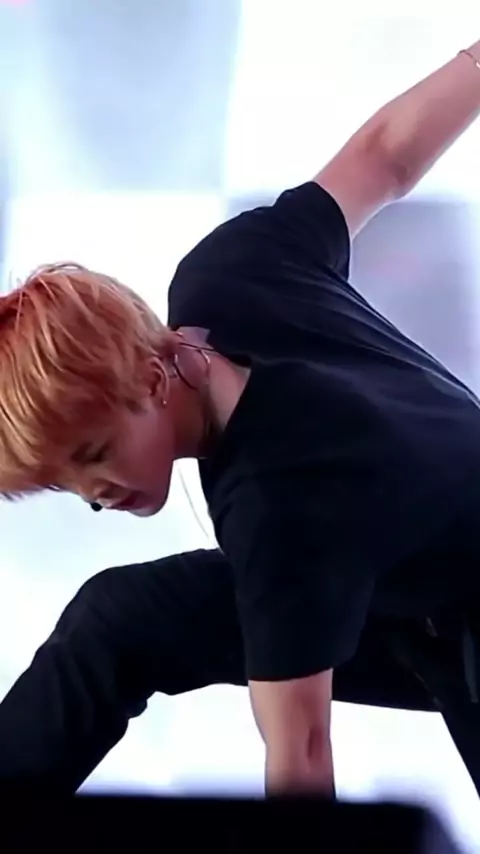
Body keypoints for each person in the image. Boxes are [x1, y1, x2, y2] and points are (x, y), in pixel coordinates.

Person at [2, 41, 480, 797]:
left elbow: (302, 758)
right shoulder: (231, 273)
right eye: (66, 482)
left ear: (151, 374)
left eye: (93, 452)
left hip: (454, 615)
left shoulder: (277, 509)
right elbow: (383, 156)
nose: (94, 494)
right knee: (118, 619)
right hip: (390, 574)